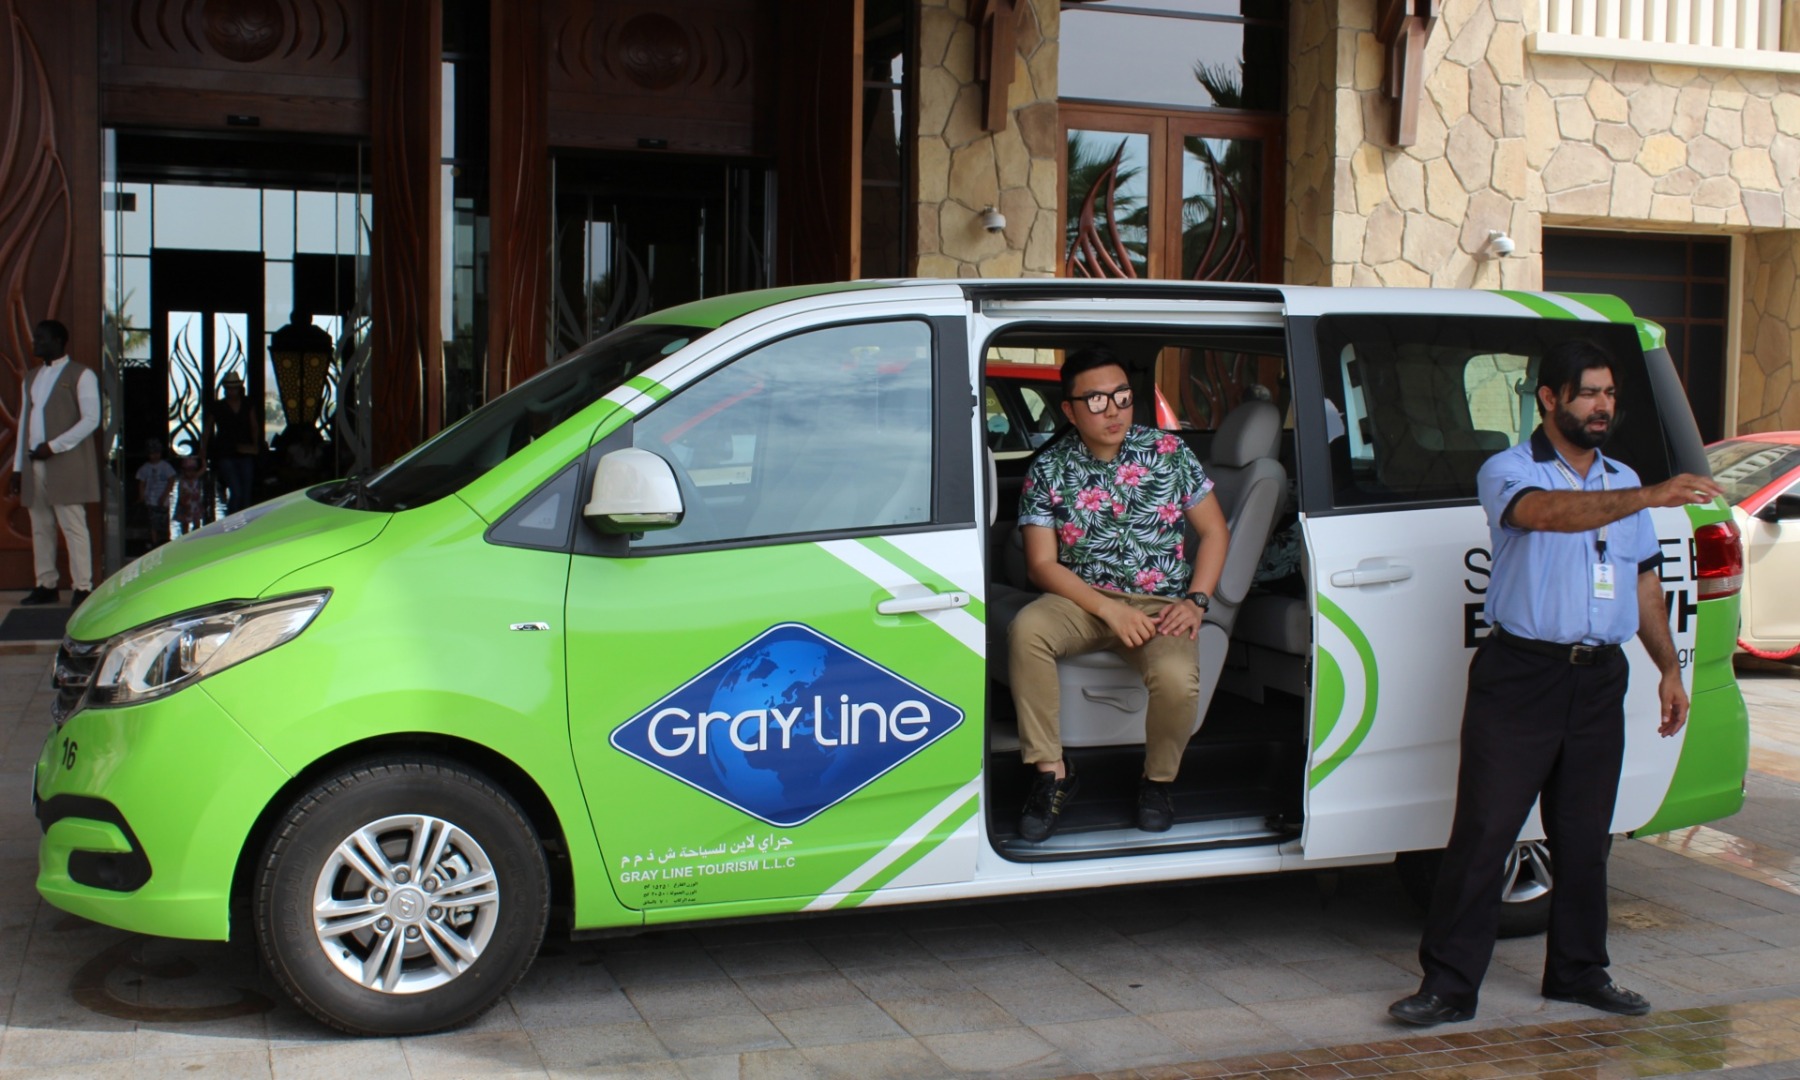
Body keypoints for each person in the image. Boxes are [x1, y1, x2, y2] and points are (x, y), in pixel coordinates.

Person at [1388, 339, 1726, 1028]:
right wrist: (1653, 494)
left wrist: (1668, 668)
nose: (1603, 407)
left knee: (1584, 836)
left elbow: (1642, 584)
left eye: (1609, 395)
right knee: (1485, 833)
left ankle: (1578, 971)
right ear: (1549, 399)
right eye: (1588, 394)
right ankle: (1449, 985)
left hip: (1599, 678)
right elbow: (1545, 515)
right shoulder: (1510, 470)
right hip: (1522, 676)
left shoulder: (1622, 476)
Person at [1009, 347, 1230, 840]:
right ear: (1068, 409)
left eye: (1122, 396)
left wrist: (1195, 600)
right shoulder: (1048, 469)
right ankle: (1052, 775)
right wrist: (1108, 609)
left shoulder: (1168, 454)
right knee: (1027, 630)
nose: (1112, 409)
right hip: (1082, 602)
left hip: (1160, 607)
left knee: (1176, 678)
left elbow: (1215, 532)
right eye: (1096, 399)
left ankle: (1157, 782)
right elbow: (1041, 565)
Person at [9, 320, 100, 607]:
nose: (36, 343)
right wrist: (17, 469)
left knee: (73, 526)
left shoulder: (81, 375)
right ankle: (45, 584)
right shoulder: (32, 377)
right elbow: (25, 422)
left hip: (66, 462)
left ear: (59, 341)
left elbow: (91, 419)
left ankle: (82, 587)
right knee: (41, 526)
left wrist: (55, 446)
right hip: (34, 462)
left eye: (41, 338)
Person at [210, 370, 262, 515]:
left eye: (234, 388)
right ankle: (232, 523)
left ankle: (243, 526)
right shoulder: (218, 407)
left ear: (239, 389)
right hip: (225, 452)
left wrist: (255, 445)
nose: (231, 391)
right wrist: (203, 450)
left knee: (246, 494)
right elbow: (207, 430)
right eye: (229, 388)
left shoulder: (247, 404)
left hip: (245, 452)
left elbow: (254, 426)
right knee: (237, 492)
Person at [136, 439, 177, 547]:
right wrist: (142, 497)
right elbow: (141, 483)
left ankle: (164, 542)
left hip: (164, 501)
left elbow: (171, 480)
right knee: (153, 523)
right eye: (152, 453)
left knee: (164, 522)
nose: (154, 456)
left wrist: (165, 495)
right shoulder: (145, 468)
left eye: (157, 453)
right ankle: (155, 543)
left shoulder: (165, 466)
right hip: (151, 500)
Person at [173, 455, 207, 535]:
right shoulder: (182, 481)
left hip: (195, 504)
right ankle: (185, 537)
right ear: (184, 471)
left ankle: (196, 536)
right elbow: (180, 493)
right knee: (185, 524)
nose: (190, 473)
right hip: (185, 504)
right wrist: (183, 502)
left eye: (193, 470)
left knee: (197, 522)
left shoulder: (196, 477)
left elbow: (203, 469)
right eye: (188, 470)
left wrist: (203, 459)